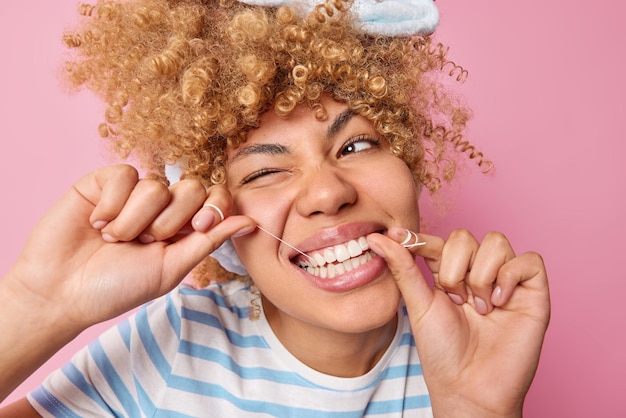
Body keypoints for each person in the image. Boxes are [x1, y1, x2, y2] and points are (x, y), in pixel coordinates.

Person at [0, 0, 550, 416]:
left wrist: (477, 411)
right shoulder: (174, 344)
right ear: (216, 216)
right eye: (264, 171)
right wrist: (38, 308)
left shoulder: (475, 346)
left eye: (356, 145)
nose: (328, 193)